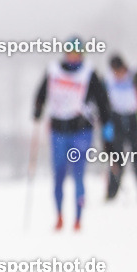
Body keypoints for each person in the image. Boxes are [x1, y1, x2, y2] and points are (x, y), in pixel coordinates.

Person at [33, 37, 113, 230]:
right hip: (58, 130)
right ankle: (59, 215)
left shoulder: (89, 72)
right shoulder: (53, 70)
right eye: (70, 53)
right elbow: (41, 92)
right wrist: (37, 109)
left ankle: (78, 218)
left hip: (81, 131)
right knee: (59, 174)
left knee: (78, 175)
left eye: (77, 53)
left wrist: (106, 126)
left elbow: (103, 101)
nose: (73, 57)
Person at [103, 54, 137, 200]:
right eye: (115, 71)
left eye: (119, 71)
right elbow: (101, 99)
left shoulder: (133, 74)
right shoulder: (108, 79)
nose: (118, 74)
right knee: (117, 158)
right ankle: (112, 192)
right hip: (117, 119)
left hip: (133, 118)